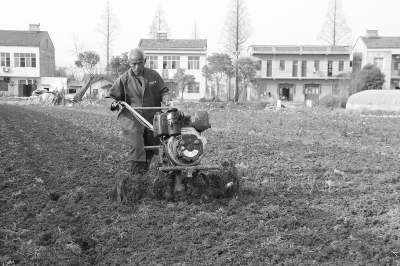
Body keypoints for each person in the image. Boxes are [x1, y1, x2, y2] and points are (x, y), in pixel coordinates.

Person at [105, 48, 173, 174]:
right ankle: (136, 176)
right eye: (133, 64)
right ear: (129, 63)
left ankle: (150, 170)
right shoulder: (124, 79)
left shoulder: (153, 76)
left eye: (140, 63)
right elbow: (110, 96)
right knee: (137, 146)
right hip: (132, 118)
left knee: (156, 144)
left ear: (145, 61)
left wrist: (166, 98)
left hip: (153, 117)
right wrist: (113, 103)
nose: (136, 67)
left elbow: (163, 90)